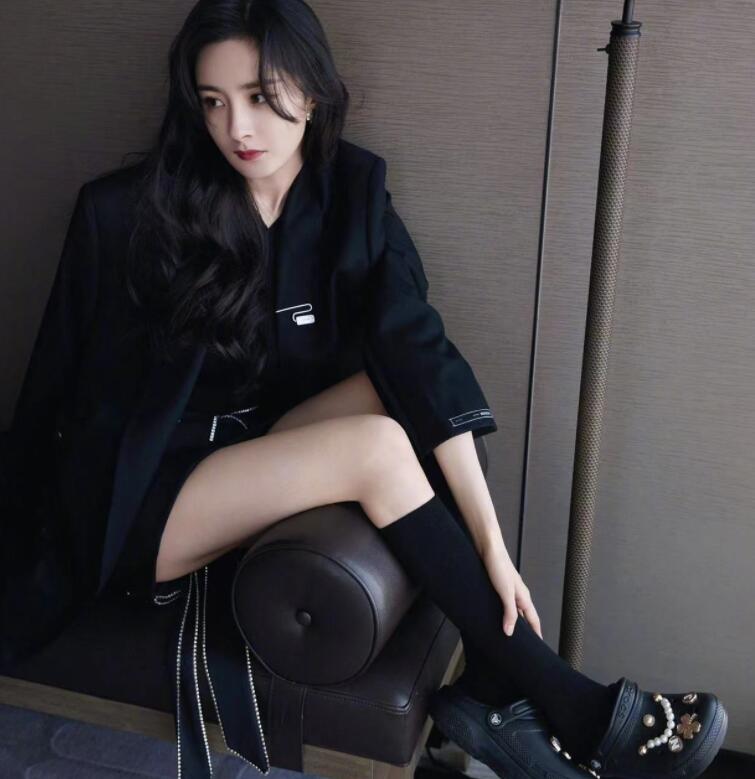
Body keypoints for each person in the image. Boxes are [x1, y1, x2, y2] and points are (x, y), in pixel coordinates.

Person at [0, 1, 728, 778]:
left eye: (260, 96)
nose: (237, 127)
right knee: (375, 444)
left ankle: (495, 687)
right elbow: (57, 391)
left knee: (397, 394)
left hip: (250, 453)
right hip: (138, 493)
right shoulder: (132, 212)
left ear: (312, 92)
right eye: (213, 101)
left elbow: (416, 351)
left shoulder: (350, 191)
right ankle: (575, 706)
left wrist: (491, 543)